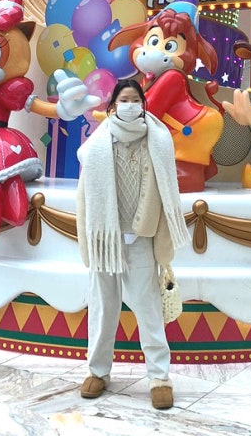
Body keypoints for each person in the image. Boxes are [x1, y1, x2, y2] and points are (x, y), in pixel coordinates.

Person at [76, 79, 189, 410]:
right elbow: (84, 197)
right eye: (123, 100)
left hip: (140, 238)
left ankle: (159, 377)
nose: (129, 105)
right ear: (113, 105)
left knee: (148, 309)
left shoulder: (158, 140)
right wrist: (87, 239)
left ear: (143, 104)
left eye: (135, 99)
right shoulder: (96, 146)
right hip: (104, 240)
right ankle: (98, 371)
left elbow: (164, 190)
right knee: (102, 308)